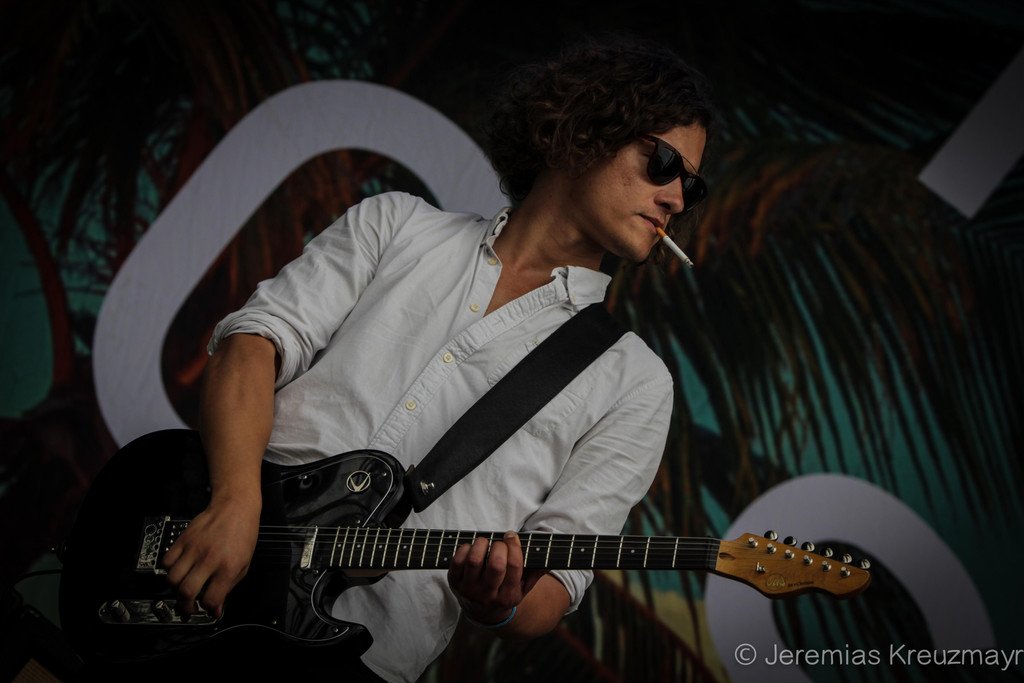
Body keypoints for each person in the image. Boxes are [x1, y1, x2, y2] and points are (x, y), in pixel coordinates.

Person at [161, 34, 714, 682]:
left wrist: (502, 601)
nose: (676, 198)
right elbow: (251, 344)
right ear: (588, 128)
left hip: (354, 662)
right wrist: (235, 503)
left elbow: (557, 584)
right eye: (664, 162)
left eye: (692, 185)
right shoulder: (395, 225)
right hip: (196, 575)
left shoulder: (634, 381)